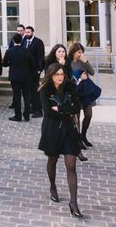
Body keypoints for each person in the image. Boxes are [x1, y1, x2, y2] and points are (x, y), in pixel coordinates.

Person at [38, 63, 83, 218]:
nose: (60, 77)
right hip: (52, 131)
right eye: (57, 74)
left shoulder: (70, 88)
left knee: (71, 165)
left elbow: (77, 108)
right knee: (52, 160)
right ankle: (52, 186)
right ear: (51, 75)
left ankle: (74, 203)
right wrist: (66, 110)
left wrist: (61, 109)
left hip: (69, 131)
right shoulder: (45, 90)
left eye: (62, 74)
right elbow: (48, 113)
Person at [68, 43, 98, 149]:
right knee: (77, 118)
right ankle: (78, 139)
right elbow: (69, 80)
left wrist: (86, 62)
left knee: (88, 115)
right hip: (76, 92)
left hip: (85, 92)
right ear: (73, 52)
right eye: (79, 52)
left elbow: (92, 72)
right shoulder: (69, 63)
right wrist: (80, 79)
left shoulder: (83, 61)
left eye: (82, 52)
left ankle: (83, 135)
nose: (81, 54)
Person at [3, 33, 34, 122]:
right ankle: (27, 116)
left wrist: (11, 63)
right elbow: (32, 64)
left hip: (14, 77)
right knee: (27, 96)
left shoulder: (9, 51)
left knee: (16, 96)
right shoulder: (27, 51)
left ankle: (18, 116)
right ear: (21, 41)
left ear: (13, 41)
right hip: (26, 76)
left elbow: (4, 64)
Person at [24, 26, 46, 118]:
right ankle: (32, 108)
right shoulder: (24, 40)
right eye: (26, 32)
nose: (27, 34)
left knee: (35, 90)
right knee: (29, 90)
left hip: (35, 70)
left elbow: (41, 56)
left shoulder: (38, 42)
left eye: (28, 32)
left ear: (33, 32)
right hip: (26, 70)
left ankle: (39, 110)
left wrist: (39, 69)